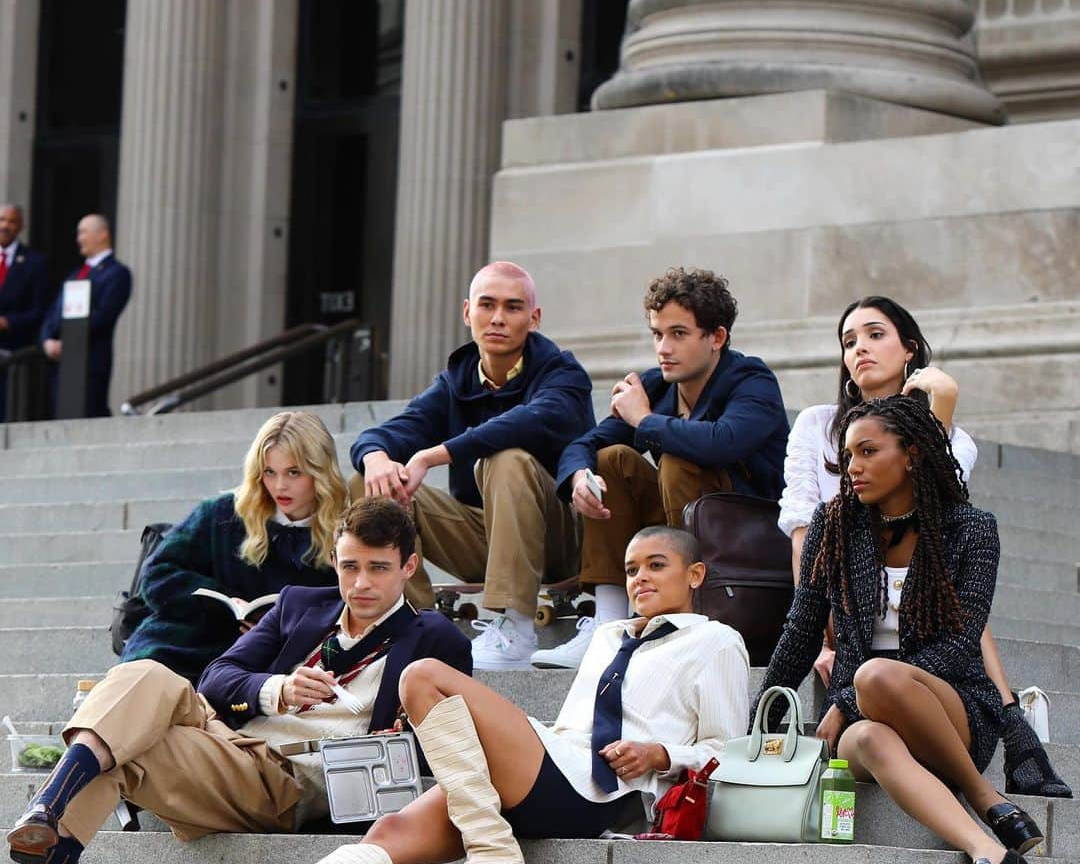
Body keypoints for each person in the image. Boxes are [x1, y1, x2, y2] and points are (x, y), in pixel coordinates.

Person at [168, 525, 750, 864]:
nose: (639, 578)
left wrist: (663, 756)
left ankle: (495, 851)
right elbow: (574, 724)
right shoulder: (606, 638)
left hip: (607, 791)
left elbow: (730, 750)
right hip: (555, 763)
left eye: (656, 565)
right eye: (629, 569)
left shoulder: (717, 642)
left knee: (422, 676)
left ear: (695, 575)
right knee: (388, 834)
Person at [0, 498, 472, 864]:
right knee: (141, 673)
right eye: (350, 567)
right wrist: (279, 688)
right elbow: (217, 677)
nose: (361, 583)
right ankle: (45, 818)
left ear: (409, 567)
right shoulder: (300, 605)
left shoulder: (436, 640)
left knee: (124, 747)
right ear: (333, 559)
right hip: (231, 740)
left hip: (290, 781)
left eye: (378, 568)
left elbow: (441, 749)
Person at [759, 394, 1047, 864]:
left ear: (911, 453)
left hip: (951, 710)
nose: (854, 468)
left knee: (874, 676)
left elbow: (961, 647)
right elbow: (802, 629)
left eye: (868, 452)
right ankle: (992, 848)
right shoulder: (835, 525)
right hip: (864, 719)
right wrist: (765, 719)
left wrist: (847, 696)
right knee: (867, 737)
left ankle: (984, 796)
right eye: (847, 456)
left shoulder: (971, 529)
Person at [778, 294, 1070, 798]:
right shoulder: (817, 425)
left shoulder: (943, 454)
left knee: (942, 588)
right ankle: (998, 778)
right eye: (848, 341)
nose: (859, 349)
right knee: (876, 678)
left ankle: (1007, 719)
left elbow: (943, 527)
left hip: (920, 607)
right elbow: (804, 528)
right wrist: (821, 640)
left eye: (874, 335)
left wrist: (944, 409)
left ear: (909, 350)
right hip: (842, 594)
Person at [541, 266, 788, 670]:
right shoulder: (656, 387)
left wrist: (643, 420)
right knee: (610, 461)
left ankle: (689, 611)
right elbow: (585, 443)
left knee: (677, 459)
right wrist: (578, 477)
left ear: (717, 338)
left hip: (744, 550)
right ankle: (608, 620)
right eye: (658, 334)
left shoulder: (751, 380)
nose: (664, 348)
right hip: (680, 530)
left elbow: (721, 442)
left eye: (679, 334)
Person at [350, 260, 593, 671]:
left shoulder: (562, 374)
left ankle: (512, 624)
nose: (498, 318)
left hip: (561, 540)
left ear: (533, 319)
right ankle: (411, 623)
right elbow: (392, 432)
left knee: (507, 458)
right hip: (484, 538)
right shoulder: (456, 382)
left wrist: (432, 455)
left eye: (513, 308)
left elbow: (523, 424)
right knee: (369, 485)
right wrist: (375, 457)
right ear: (467, 312)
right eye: (487, 305)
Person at [121, 411, 349, 680]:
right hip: (180, 643)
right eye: (269, 472)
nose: (279, 486)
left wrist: (276, 627)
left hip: (258, 665)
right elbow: (156, 575)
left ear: (319, 471)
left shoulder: (343, 532)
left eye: (294, 472)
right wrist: (223, 604)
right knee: (141, 683)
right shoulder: (223, 514)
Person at [40, 213, 132, 417]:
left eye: (83, 232)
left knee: (90, 414)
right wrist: (47, 340)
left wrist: (71, 338)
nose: (78, 238)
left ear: (102, 234)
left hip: (91, 361)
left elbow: (105, 314)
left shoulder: (116, 273)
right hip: (62, 365)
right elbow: (53, 313)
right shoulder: (74, 274)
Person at [0, 203, 48, 419]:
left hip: (12, 355)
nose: (5, 226)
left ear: (20, 226)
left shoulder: (35, 263)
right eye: (2, 220)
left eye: (11, 221)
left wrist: (8, 323)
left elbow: (39, 311)